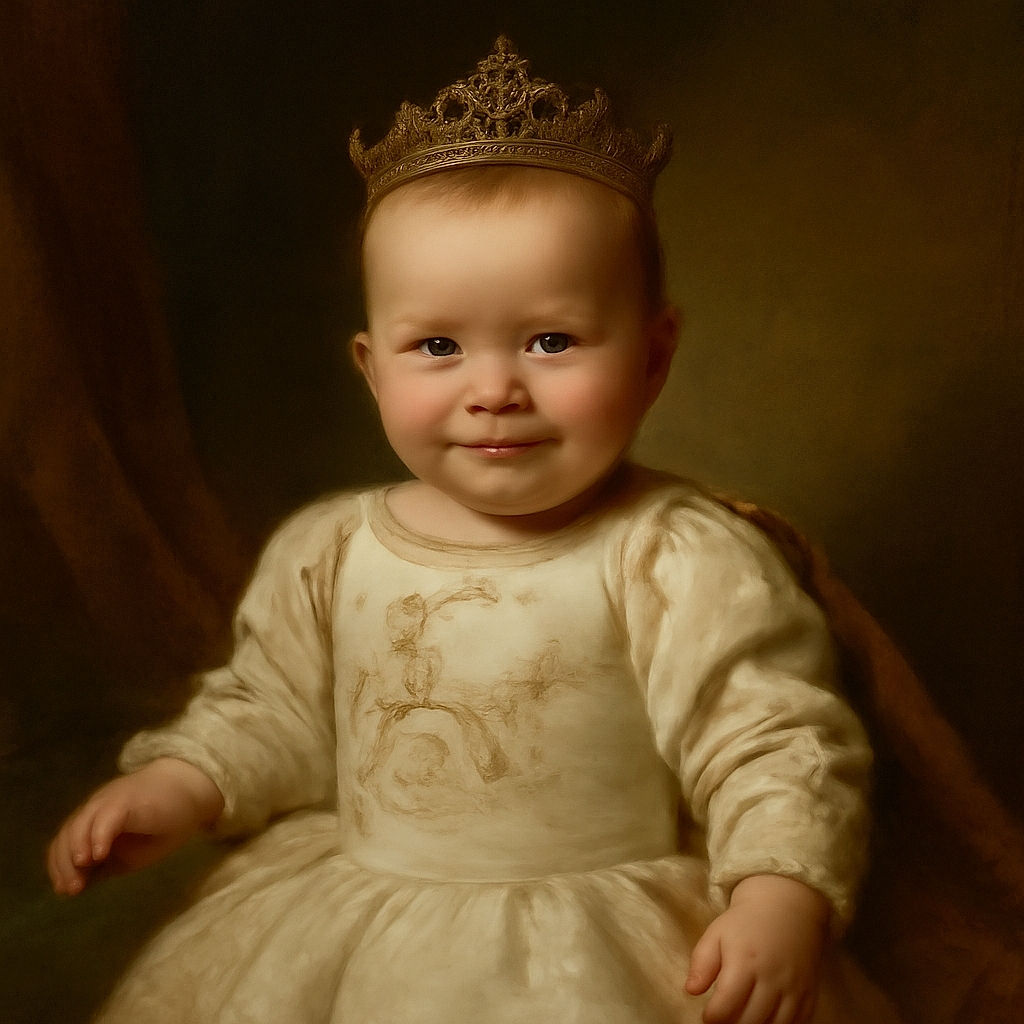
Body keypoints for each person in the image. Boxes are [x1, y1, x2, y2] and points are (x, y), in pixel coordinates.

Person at [47, 38, 903, 1024]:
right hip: (358, 931)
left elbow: (768, 736)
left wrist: (777, 891)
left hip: (598, 943)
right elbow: (275, 709)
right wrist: (181, 784)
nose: (493, 390)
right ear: (372, 368)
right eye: (438, 346)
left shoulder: (675, 553)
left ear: (654, 353)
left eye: (551, 339)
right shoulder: (331, 549)